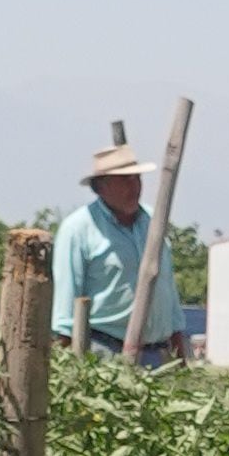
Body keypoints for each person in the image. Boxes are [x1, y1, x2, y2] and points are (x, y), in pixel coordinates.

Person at [52, 143, 186, 368]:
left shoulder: (155, 222)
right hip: (105, 354)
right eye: (125, 179)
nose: (134, 186)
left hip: (159, 355)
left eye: (137, 178)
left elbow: (169, 295)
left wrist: (181, 356)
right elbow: (65, 313)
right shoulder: (77, 229)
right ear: (101, 187)